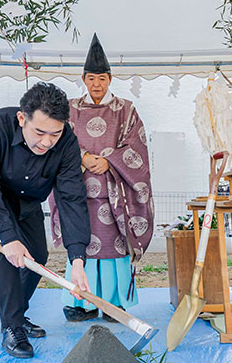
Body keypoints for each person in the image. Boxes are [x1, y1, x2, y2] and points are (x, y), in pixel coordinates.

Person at [0, 82, 91, 359]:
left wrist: (77, 258)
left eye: (54, 134)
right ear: (22, 118)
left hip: (30, 199)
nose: (46, 142)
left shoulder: (66, 141)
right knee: (8, 256)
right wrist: (8, 237)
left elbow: (71, 197)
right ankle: (11, 327)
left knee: (37, 256)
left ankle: (17, 314)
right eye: (39, 132)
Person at [50, 34, 154, 322]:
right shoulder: (69, 109)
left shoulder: (126, 109)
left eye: (102, 78)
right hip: (78, 192)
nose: (97, 83)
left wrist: (108, 161)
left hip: (115, 194)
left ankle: (114, 302)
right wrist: (82, 157)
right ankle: (81, 303)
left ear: (110, 79)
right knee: (80, 243)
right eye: (91, 78)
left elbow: (137, 146)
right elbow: (57, 141)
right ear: (84, 78)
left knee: (113, 245)